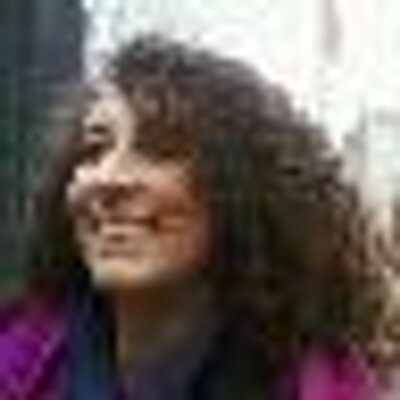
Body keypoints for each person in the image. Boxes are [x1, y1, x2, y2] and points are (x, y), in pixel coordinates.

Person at [0, 34, 381, 399]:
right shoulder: (17, 361)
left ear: (241, 192)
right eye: (94, 150)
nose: (108, 178)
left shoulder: (321, 388)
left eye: (160, 151)